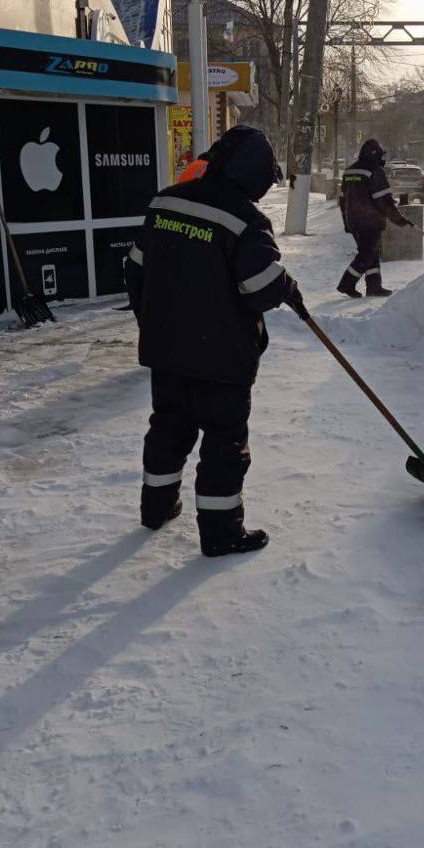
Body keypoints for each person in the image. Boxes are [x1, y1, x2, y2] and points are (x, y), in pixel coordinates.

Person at [125, 125, 305, 558]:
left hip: (167, 352)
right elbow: (260, 288)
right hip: (221, 359)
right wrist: (287, 286)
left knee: (168, 427)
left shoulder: (165, 202)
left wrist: (153, 322)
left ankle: (156, 508)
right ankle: (222, 534)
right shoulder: (245, 220)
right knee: (224, 442)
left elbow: (134, 269)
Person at [336, 138, 411, 298]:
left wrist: (346, 222)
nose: (382, 159)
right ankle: (346, 284)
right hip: (369, 222)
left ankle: (374, 287)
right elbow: (384, 202)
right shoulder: (375, 171)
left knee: (371, 252)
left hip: (354, 220)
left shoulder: (349, 171)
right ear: (373, 155)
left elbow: (342, 200)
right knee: (367, 253)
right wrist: (399, 220)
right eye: (380, 156)